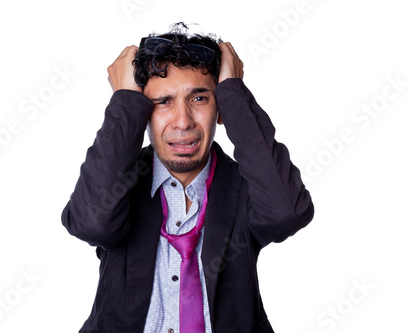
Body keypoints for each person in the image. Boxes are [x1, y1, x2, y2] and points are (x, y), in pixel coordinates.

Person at [61, 23, 314, 333]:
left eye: (199, 99)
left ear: (219, 109)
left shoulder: (247, 185)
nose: (183, 122)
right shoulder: (120, 180)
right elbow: (91, 223)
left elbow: (286, 213)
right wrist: (126, 101)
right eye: (162, 102)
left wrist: (233, 93)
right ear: (143, 113)